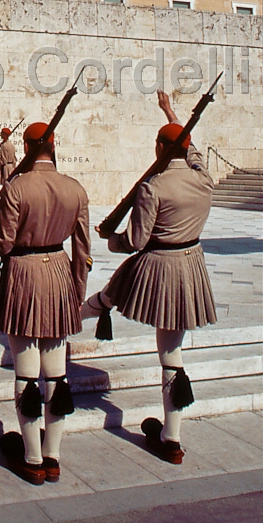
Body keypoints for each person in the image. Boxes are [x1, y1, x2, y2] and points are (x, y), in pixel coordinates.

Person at [82, 90, 216, 465]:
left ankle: (64, 322)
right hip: (191, 265)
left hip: (157, 265)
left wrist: (111, 239)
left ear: (159, 147)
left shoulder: (152, 187)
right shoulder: (203, 179)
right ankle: (171, 437)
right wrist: (171, 112)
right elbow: (193, 150)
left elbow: (136, 241)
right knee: (172, 355)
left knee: (109, 297)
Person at [0, 122, 90, 485]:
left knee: (27, 372)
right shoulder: (75, 188)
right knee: (57, 374)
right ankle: (54, 456)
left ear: (27, 146)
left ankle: (32, 458)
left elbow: (2, 242)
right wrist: (77, 292)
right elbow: (83, 251)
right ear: (54, 145)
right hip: (60, 273)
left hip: (24, 274)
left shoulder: (17, 187)